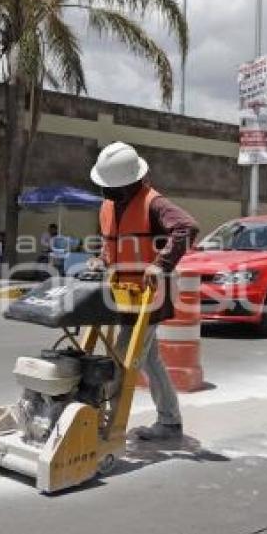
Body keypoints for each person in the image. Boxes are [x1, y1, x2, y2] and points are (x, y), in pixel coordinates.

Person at [88, 141, 199, 441]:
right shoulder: (108, 207)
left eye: (112, 187)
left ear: (130, 182)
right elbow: (112, 244)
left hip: (149, 299)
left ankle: (99, 424)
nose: (107, 192)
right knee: (150, 360)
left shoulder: (154, 203)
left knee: (121, 360)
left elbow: (187, 227)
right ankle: (170, 421)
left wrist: (161, 264)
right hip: (121, 297)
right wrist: (101, 260)